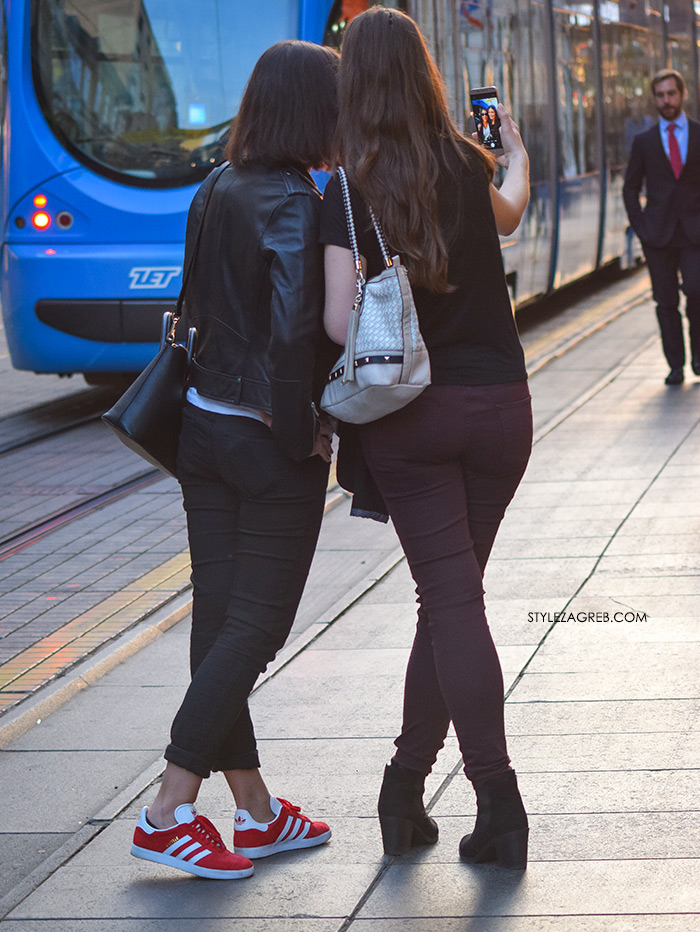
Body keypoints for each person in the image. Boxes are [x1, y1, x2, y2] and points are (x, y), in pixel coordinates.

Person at [321, 8, 532, 869]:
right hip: (501, 410)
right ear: (425, 74)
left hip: (413, 416)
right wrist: (513, 149)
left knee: (451, 601)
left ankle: (501, 800)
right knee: (450, 604)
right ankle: (404, 789)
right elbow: (511, 215)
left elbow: (340, 321)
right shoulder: (467, 159)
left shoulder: (349, 184)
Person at [130, 40, 339, 881]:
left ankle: (254, 810)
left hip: (203, 433)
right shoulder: (297, 201)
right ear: (313, 111)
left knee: (219, 620)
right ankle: (167, 807)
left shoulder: (217, 184)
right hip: (266, 440)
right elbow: (297, 337)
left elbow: (196, 306)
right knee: (255, 626)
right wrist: (307, 436)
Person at [623, 69, 700, 385]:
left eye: (671, 94)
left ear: (682, 95)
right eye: (660, 95)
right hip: (658, 235)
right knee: (665, 302)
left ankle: (699, 357)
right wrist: (641, 227)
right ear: (655, 99)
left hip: (695, 233)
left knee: (696, 293)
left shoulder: (698, 134)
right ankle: (675, 365)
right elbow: (630, 188)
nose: (666, 101)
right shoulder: (644, 142)